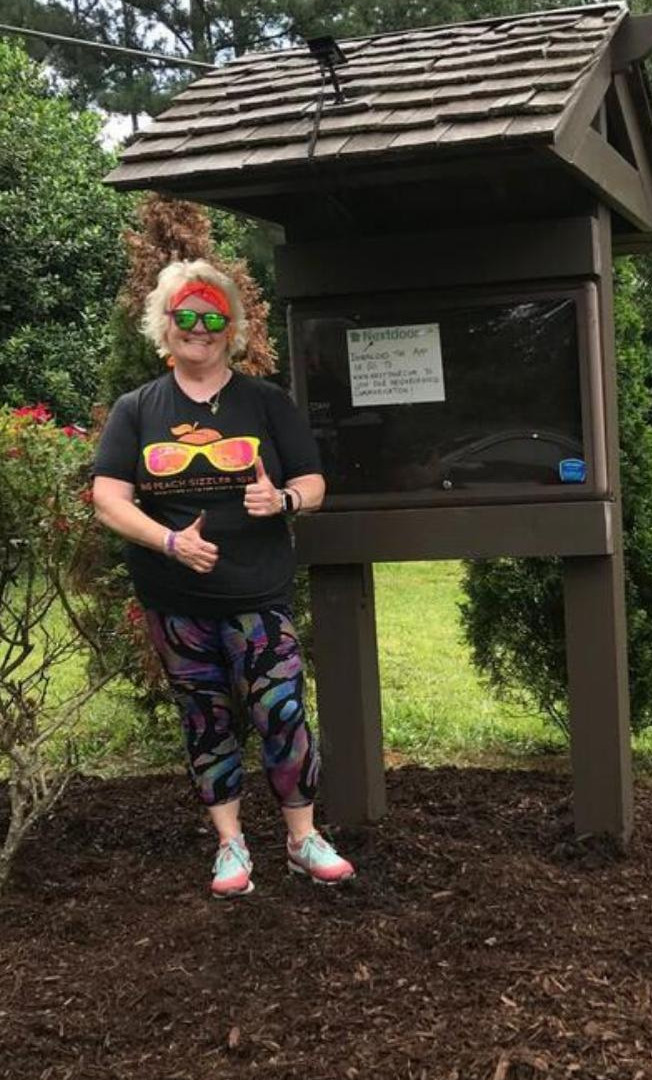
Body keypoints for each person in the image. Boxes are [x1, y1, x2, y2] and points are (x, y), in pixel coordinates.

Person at [93, 258, 354, 898]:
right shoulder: (137, 409)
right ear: (166, 324)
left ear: (231, 326)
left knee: (281, 712)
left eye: (214, 317)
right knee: (205, 720)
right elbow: (107, 497)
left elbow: (313, 482)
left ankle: (302, 839)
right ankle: (230, 844)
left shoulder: (265, 403)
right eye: (187, 316)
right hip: (175, 600)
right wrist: (170, 541)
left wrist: (284, 502)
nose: (200, 329)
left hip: (258, 595)